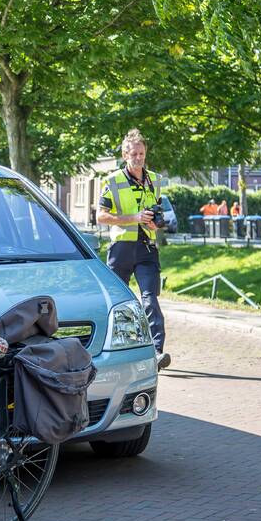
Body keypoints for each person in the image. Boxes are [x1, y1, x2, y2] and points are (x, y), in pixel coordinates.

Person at [96, 129, 171, 371]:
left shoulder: (155, 180)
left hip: (147, 246)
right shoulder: (113, 181)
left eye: (142, 153)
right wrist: (134, 217)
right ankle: (121, 349)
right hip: (122, 248)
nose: (139, 158)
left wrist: (154, 222)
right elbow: (101, 216)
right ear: (125, 155)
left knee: (150, 297)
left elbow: (159, 215)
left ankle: (158, 350)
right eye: (134, 154)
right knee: (119, 301)